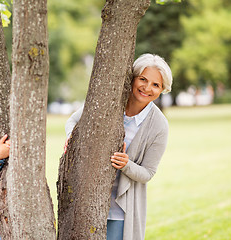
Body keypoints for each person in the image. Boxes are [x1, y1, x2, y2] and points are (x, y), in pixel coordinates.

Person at [65, 53, 173, 240]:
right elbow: (73, 120)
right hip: (86, 202)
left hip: (121, 210)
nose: (147, 88)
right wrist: (72, 137)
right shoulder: (111, 102)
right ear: (133, 78)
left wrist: (126, 165)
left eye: (156, 85)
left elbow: (148, 173)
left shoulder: (159, 125)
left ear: (162, 89)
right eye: (143, 79)